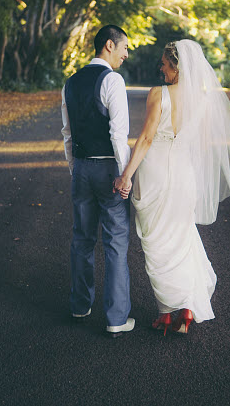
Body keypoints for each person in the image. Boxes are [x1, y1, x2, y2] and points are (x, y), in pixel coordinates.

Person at [114, 39, 230, 335]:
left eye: (164, 64)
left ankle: (166, 311)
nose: (160, 68)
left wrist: (126, 175)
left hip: (156, 172)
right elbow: (201, 145)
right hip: (184, 173)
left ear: (176, 67)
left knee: (157, 242)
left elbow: (147, 139)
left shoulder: (158, 94)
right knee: (182, 238)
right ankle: (186, 307)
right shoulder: (201, 101)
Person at [61, 25, 135, 337]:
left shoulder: (70, 82)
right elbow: (119, 135)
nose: (126, 54)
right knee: (116, 241)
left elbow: (67, 133)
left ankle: (80, 305)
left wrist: (73, 169)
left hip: (81, 168)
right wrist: (125, 174)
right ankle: (116, 318)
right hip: (109, 171)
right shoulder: (112, 80)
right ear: (109, 45)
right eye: (124, 48)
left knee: (82, 239)